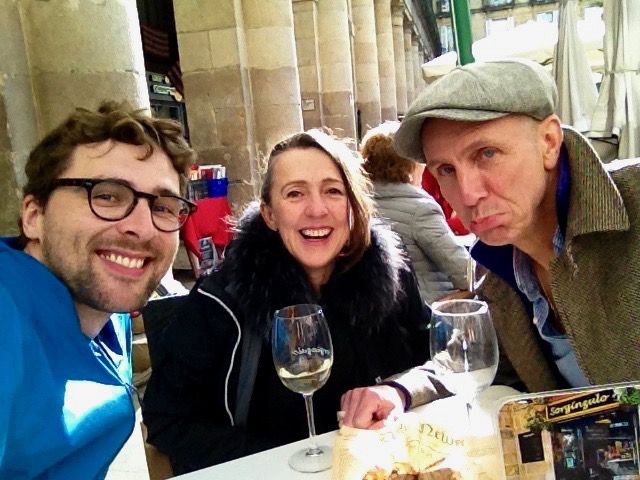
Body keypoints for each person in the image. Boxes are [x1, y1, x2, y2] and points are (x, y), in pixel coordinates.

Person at [341, 58, 640, 428]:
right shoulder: (495, 264)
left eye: (486, 154)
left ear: (548, 142)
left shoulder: (633, 203)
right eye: (446, 170)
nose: (467, 194)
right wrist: (399, 391)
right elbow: (478, 363)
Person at [141, 129, 433, 475]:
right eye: (295, 194)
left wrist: (398, 390)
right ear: (269, 214)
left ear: (352, 206)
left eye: (333, 191)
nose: (317, 209)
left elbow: (439, 361)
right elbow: (166, 420)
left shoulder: (391, 276)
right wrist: (284, 460)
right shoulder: (222, 301)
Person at [0, 101, 196, 479]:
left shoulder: (104, 307)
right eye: (106, 195)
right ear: (34, 216)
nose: (142, 227)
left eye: (164, 206)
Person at [361, 121, 469, 304]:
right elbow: (464, 270)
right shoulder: (420, 209)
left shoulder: (360, 205)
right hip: (425, 308)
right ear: (410, 164)